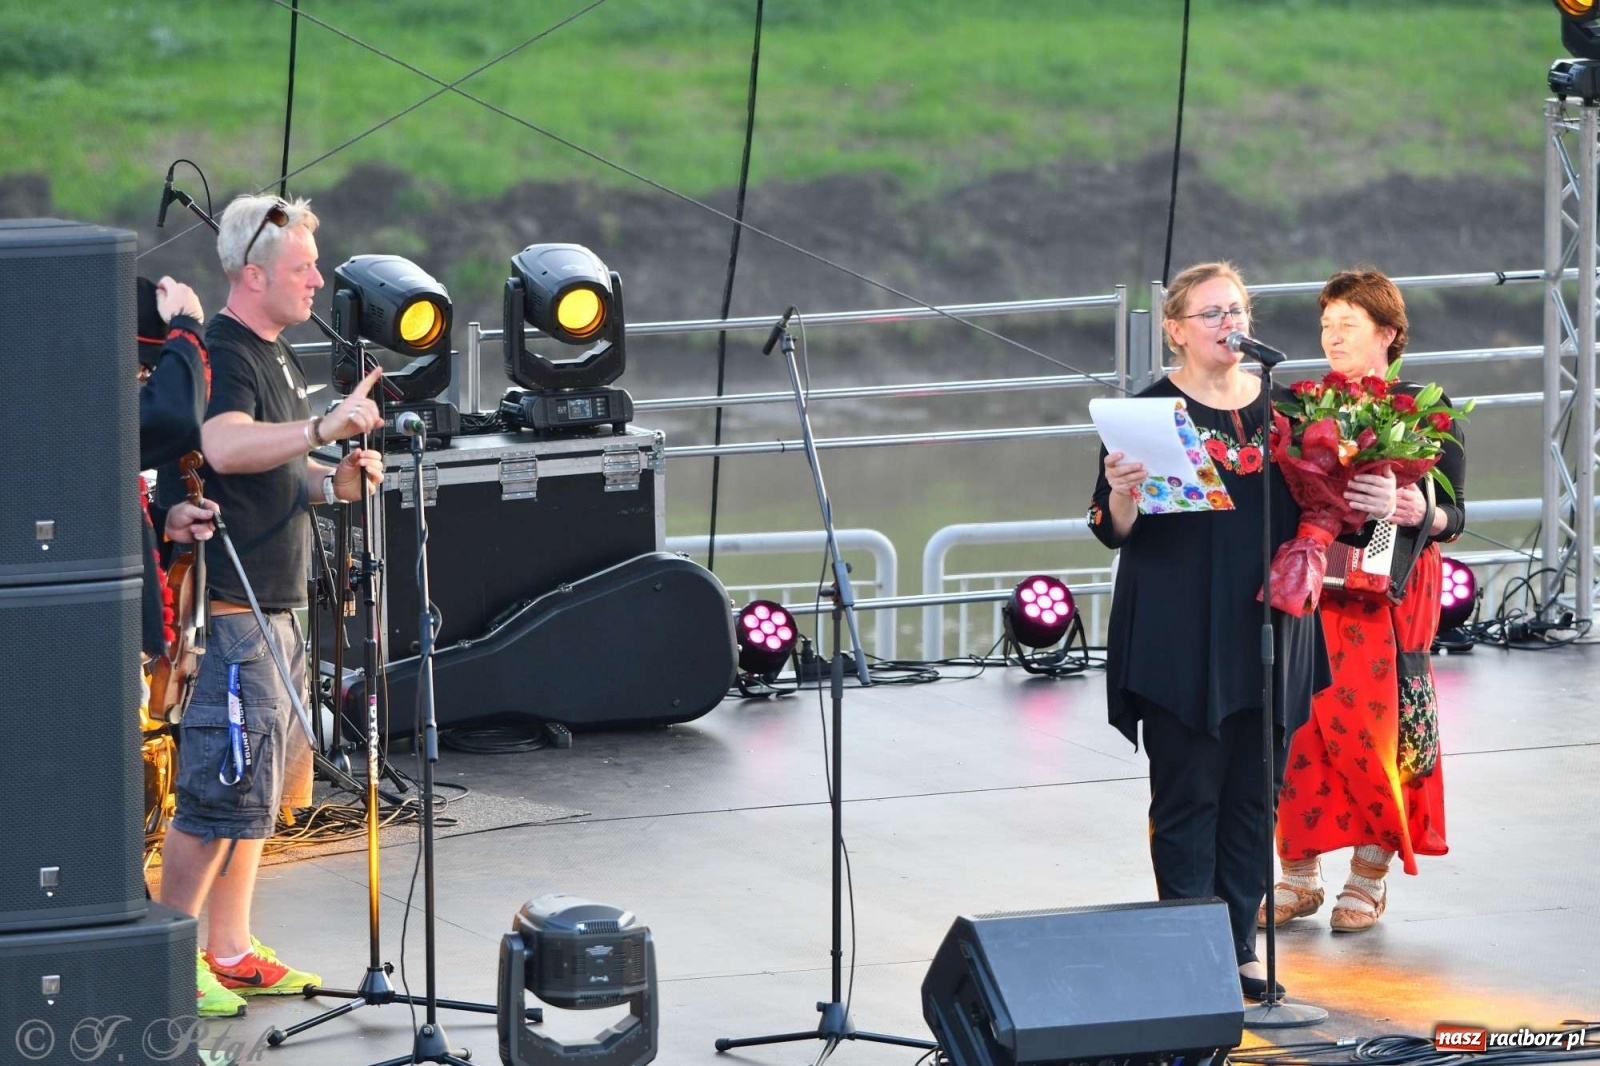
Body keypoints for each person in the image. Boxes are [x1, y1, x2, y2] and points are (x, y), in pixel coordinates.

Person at [1087, 261, 1395, 1000]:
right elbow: (1109, 527)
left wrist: (1382, 503)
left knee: (1255, 798)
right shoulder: (1147, 411)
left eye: (1238, 311)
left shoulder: (1288, 410)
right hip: (1176, 634)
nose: (1230, 325)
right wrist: (1123, 493)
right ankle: (1190, 952)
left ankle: (1238, 947)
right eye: (1211, 314)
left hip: (1269, 630)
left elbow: (1348, 521)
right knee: (1189, 795)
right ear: (1176, 331)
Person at [158, 193, 386, 1017]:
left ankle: (231, 949)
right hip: (231, 610)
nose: (318, 281)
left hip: (278, 606)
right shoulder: (224, 349)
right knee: (220, 790)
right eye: (303, 269)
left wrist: (334, 480)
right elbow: (222, 446)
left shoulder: (277, 354)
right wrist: (322, 430)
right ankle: (172, 954)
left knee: (258, 795)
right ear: (253, 275)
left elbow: (272, 471)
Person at [1264, 268, 1464, 933]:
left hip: (1390, 588)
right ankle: (1298, 873)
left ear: (1387, 332)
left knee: (1379, 727)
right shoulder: (1298, 402)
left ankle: (1369, 874)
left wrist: (1417, 504)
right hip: (1316, 576)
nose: (1332, 335)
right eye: (1326, 324)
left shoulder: (1422, 406)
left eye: (1347, 324)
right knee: (1300, 721)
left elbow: (1455, 512)